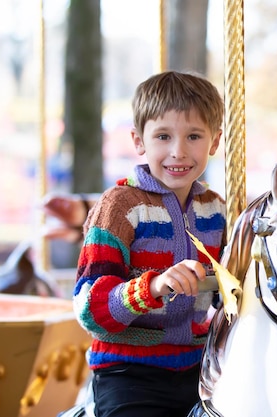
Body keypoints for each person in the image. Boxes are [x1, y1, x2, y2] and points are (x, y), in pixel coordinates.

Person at [73, 70, 226, 417]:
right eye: (163, 136)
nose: (178, 151)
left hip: (199, 370)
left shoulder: (215, 210)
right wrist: (153, 286)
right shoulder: (119, 207)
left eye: (194, 136)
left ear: (214, 143)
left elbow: (229, 290)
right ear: (139, 141)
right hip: (129, 373)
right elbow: (88, 306)